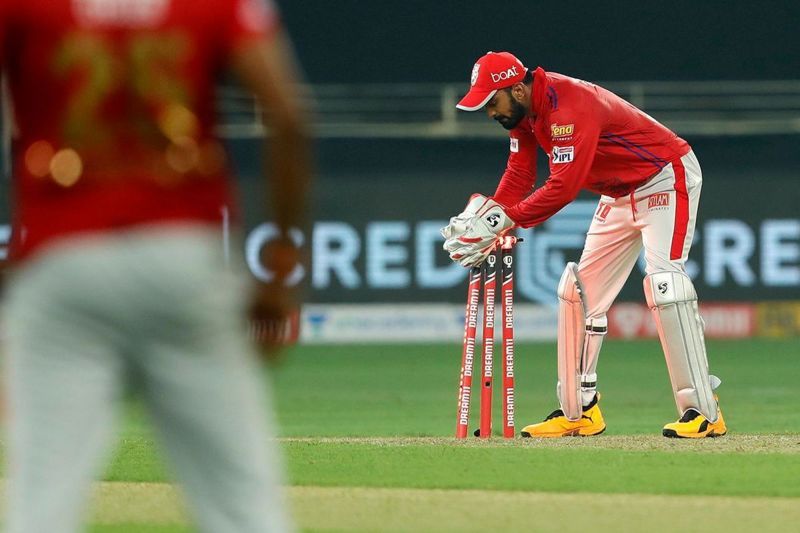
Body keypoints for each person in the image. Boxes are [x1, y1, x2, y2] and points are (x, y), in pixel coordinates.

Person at [0, 0, 311, 531]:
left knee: (40, 501)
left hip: (62, 260)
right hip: (182, 259)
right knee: (243, 508)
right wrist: (279, 267)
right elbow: (286, 114)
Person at [442, 51, 726, 439]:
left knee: (665, 286)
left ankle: (703, 412)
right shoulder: (524, 115)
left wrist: (503, 221)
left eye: (493, 102)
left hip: (663, 177)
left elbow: (563, 187)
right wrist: (491, 217)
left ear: (518, 89)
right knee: (578, 296)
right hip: (616, 194)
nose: (490, 112)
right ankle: (580, 412)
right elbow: (520, 173)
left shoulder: (569, 106)